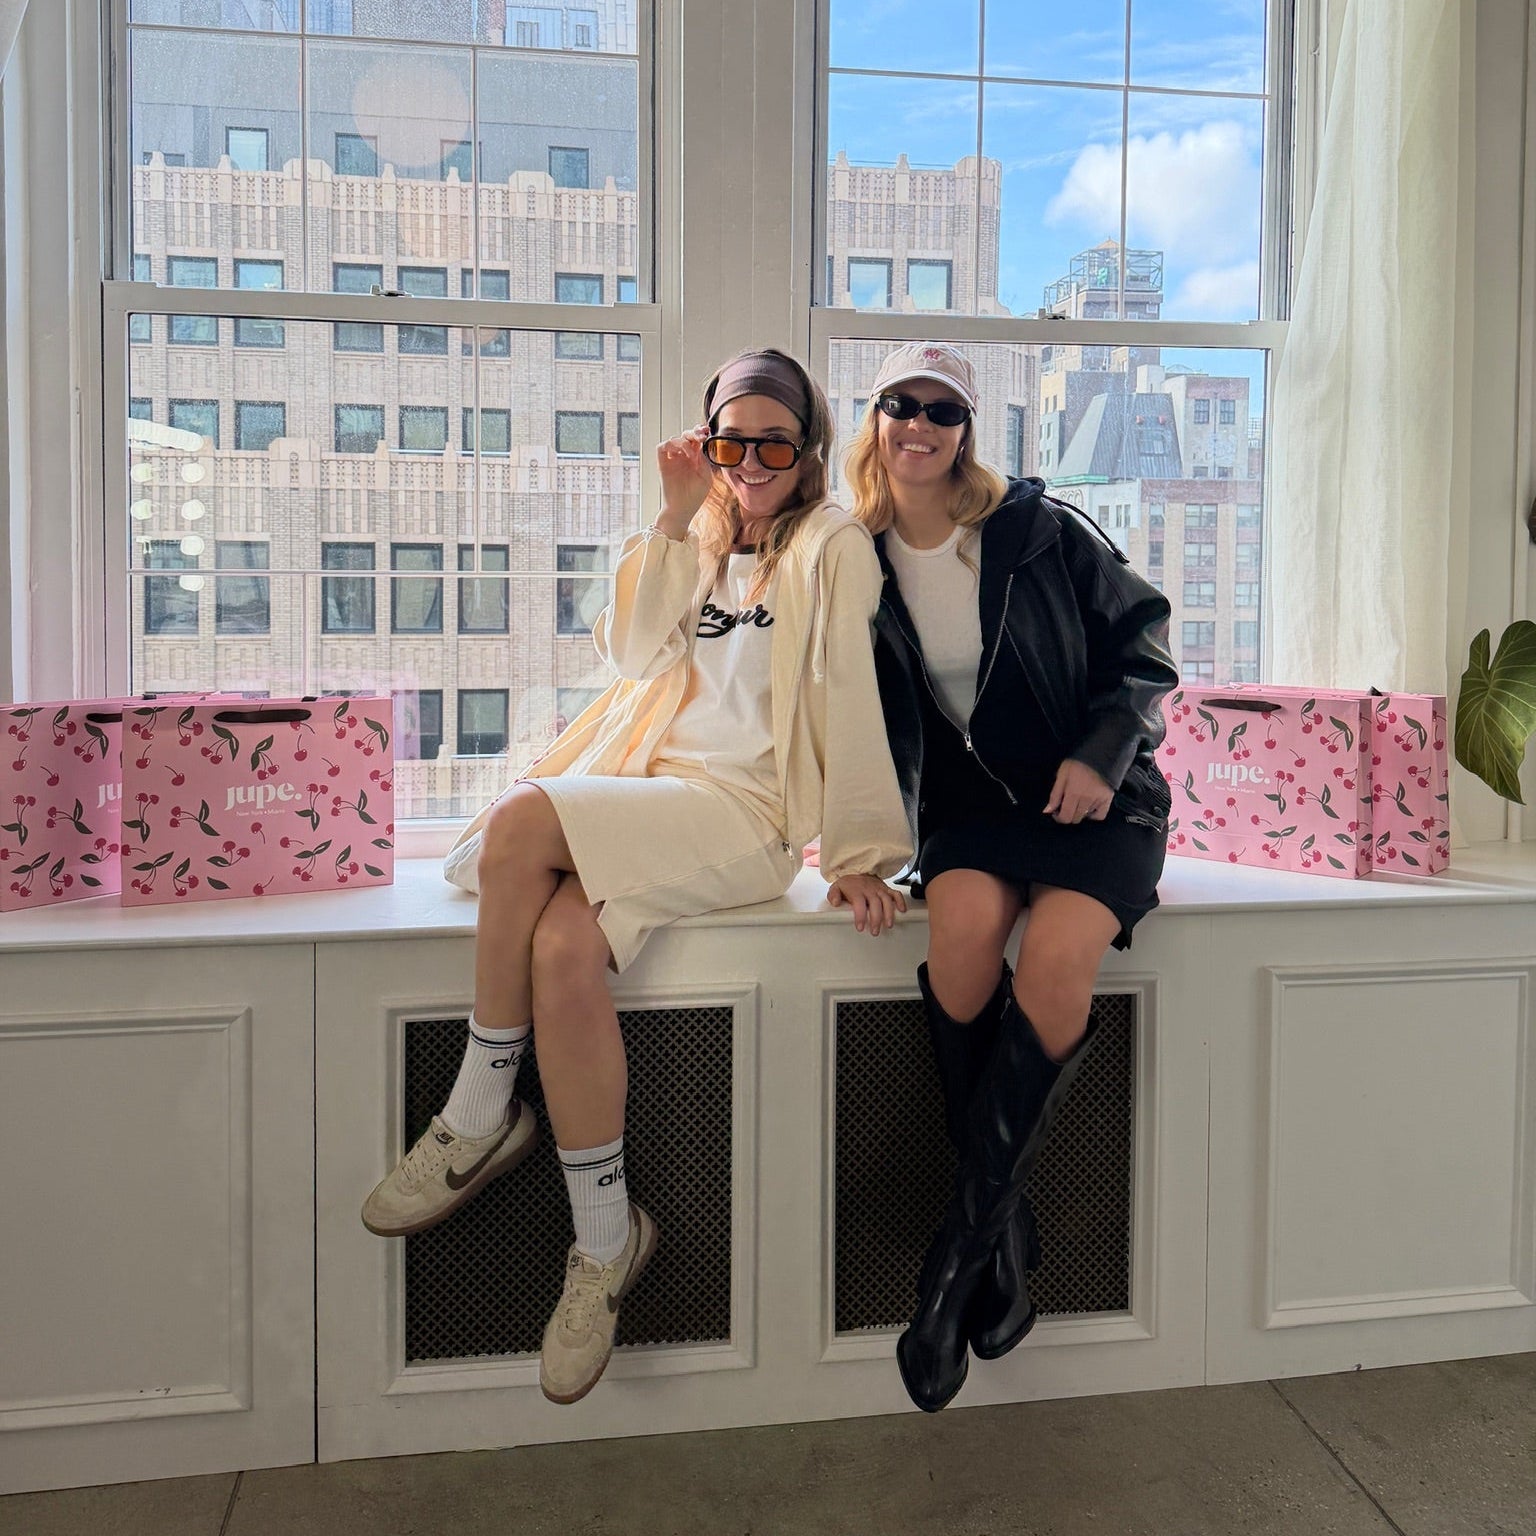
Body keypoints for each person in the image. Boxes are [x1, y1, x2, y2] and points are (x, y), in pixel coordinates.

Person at [360, 348, 911, 1406]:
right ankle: (607, 1239)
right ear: (708, 444)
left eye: (776, 444)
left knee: (522, 820)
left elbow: (851, 693)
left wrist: (855, 854)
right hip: (650, 798)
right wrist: (672, 516)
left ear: (810, 450)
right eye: (733, 443)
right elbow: (629, 657)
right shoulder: (693, 538)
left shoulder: (832, 544)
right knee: (563, 948)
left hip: (743, 816)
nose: (753, 465)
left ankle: (480, 1109)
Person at [844, 342, 1177, 1413]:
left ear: (967, 430)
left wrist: (1103, 754)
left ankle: (952, 1269)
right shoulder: (850, 554)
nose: (920, 425)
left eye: (942, 410)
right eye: (901, 404)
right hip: (972, 811)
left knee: (1058, 960)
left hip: (1095, 800)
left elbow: (1146, 647)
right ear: (876, 419)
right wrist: (851, 839)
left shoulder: (1039, 531)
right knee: (961, 940)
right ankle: (1004, 1230)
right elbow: (828, 699)